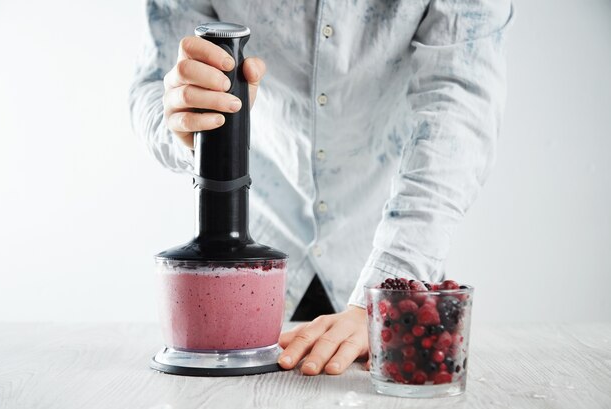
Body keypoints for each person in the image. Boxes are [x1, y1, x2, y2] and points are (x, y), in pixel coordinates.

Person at [129, 0, 513, 376]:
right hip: (251, 282)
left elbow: (458, 115)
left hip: (385, 266)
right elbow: (156, 82)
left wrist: (385, 292)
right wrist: (180, 126)